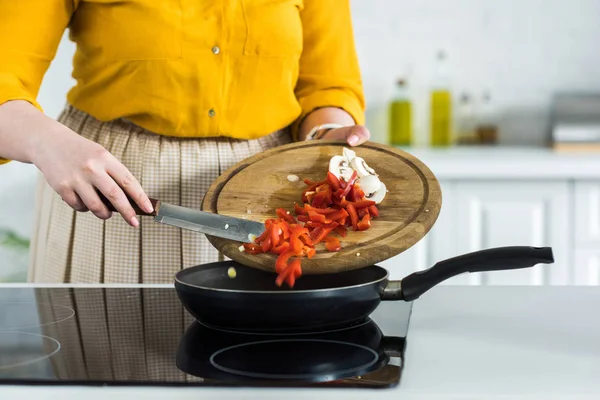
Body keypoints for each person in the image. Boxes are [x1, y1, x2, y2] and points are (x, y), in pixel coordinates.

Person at [0, 0, 369, 284]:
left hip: (271, 194)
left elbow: (326, 85)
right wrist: (45, 141)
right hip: (111, 187)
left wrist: (326, 135)